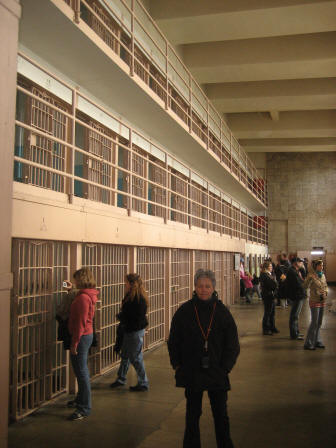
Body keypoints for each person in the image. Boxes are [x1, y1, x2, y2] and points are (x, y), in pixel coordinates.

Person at [168, 269, 240, 448]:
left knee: (221, 415)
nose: (203, 289)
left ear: (214, 287)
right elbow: (174, 340)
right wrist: (177, 365)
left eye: (207, 286)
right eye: (200, 286)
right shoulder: (184, 311)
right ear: (195, 287)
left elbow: (233, 344)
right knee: (192, 415)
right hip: (192, 372)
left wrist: (225, 368)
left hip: (217, 371)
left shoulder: (222, 312)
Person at [66, 268, 99, 420]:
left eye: (76, 279)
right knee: (81, 370)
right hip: (86, 334)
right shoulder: (88, 295)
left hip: (82, 336)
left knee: (81, 372)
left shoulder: (83, 299)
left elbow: (80, 323)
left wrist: (74, 343)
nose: (74, 282)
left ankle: (84, 408)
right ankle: (81, 400)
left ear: (81, 279)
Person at [110, 273, 149, 391]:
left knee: (135, 357)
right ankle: (121, 378)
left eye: (126, 282)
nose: (124, 284)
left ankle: (143, 383)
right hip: (131, 330)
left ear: (132, 284)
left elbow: (136, 317)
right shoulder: (133, 296)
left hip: (134, 331)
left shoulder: (138, 299)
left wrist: (122, 317)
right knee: (125, 355)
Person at [303, 260, 328, 350]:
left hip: (322, 301)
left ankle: (317, 340)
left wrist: (326, 292)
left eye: (322, 265)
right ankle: (308, 343)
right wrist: (309, 279)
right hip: (314, 301)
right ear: (316, 266)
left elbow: (325, 286)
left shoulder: (323, 275)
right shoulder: (311, 275)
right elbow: (305, 286)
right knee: (314, 322)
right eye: (320, 265)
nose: (322, 267)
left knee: (319, 322)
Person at [286, 257, 306, 340]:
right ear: (295, 263)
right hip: (297, 296)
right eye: (300, 262)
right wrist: (304, 284)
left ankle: (296, 332)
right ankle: (294, 334)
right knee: (294, 315)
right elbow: (298, 284)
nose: (302, 263)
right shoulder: (292, 271)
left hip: (299, 295)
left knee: (296, 316)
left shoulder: (296, 271)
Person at [260, 260, 279, 335]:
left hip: (271, 295)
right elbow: (271, 285)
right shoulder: (264, 275)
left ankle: (272, 327)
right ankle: (266, 329)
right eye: (270, 266)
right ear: (266, 268)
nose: (271, 268)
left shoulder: (269, 274)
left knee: (272, 313)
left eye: (271, 266)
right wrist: (276, 284)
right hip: (267, 295)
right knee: (268, 313)